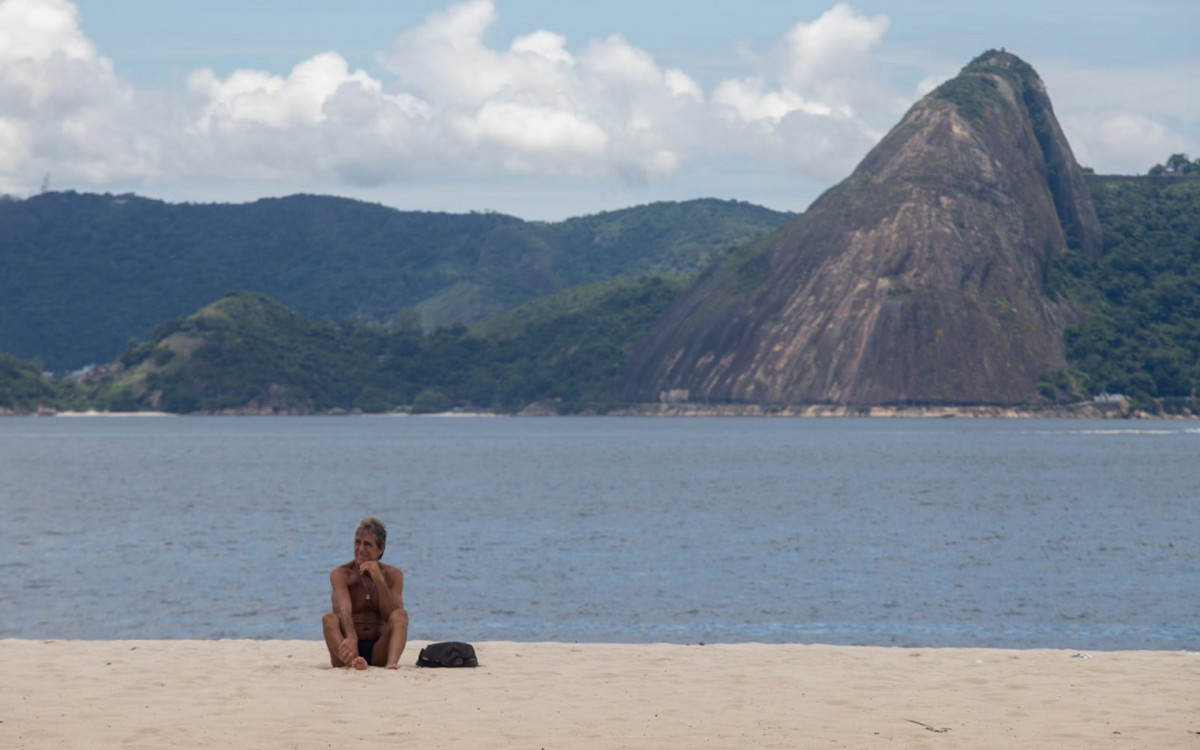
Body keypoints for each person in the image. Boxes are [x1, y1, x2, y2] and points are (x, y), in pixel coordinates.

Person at [322, 517, 408, 669]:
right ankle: (353, 662)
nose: (360, 549)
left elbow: (392, 616)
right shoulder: (341, 574)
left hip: (378, 648)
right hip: (348, 646)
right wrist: (351, 637)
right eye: (357, 542)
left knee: (401, 615)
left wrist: (380, 581)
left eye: (367, 545)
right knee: (329, 619)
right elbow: (343, 610)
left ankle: (391, 664)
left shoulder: (393, 575)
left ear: (380, 549)